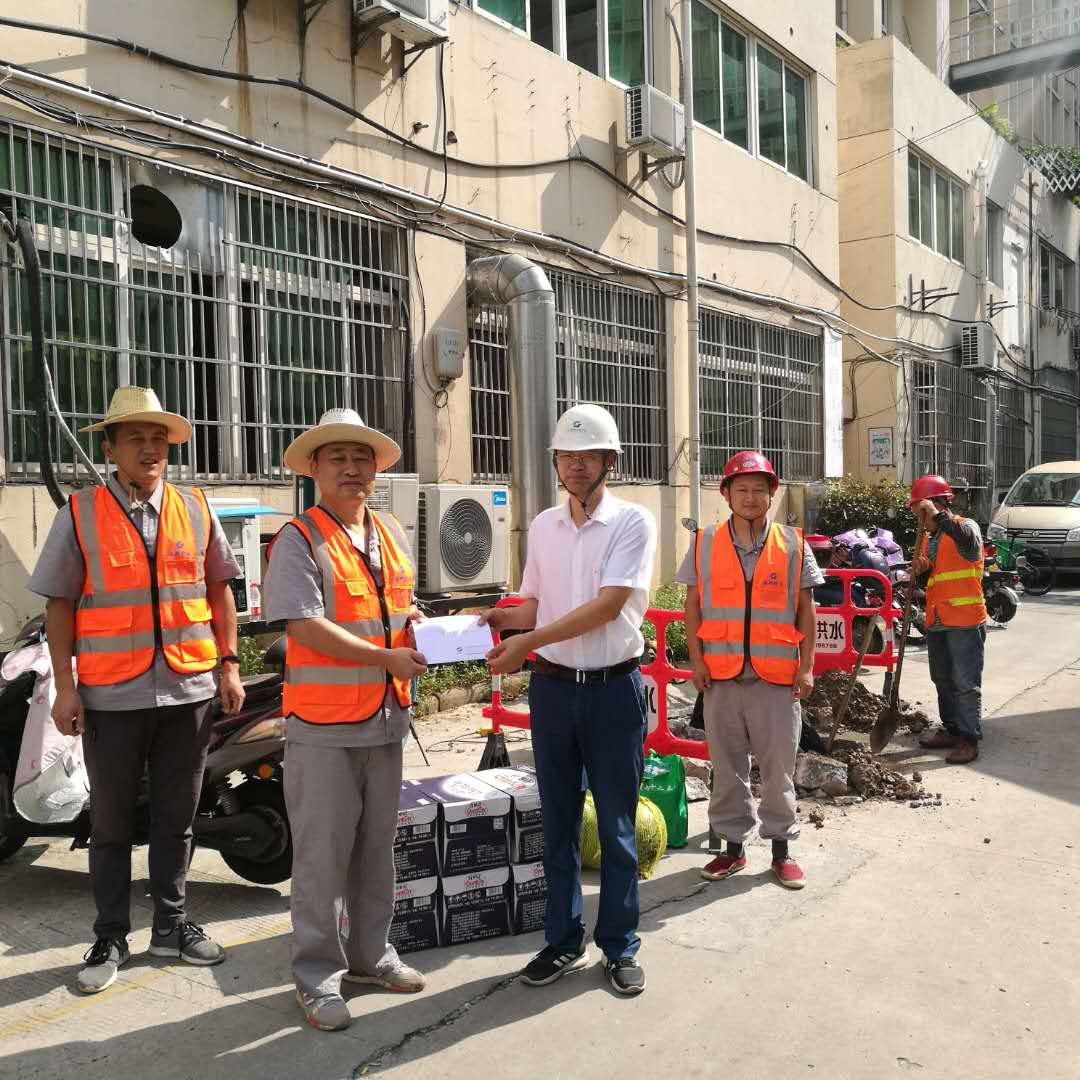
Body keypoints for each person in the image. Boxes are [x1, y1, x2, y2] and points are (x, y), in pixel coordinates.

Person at [29, 386, 245, 994]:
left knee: (177, 818)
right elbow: (60, 606)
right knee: (111, 823)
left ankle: (172, 927)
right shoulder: (80, 513)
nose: (150, 449)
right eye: (135, 439)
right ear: (110, 448)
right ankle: (110, 935)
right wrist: (65, 689)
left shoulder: (195, 507)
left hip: (188, 689)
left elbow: (220, 591)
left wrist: (229, 666)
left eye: (159, 439)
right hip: (111, 696)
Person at [481, 404, 657, 996]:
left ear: (610, 462)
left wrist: (527, 640)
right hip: (553, 691)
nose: (576, 466)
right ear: (555, 462)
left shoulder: (632, 521)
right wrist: (499, 620)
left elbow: (608, 606)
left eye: (588, 456)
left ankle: (620, 944)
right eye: (566, 456)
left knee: (617, 826)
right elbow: (534, 603)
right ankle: (561, 940)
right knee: (556, 824)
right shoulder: (543, 526)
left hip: (613, 692)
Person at [263, 409, 428, 1032]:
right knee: (322, 860)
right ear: (314, 468)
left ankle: (370, 956)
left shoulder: (389, 532)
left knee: (376, 852)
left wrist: (430, 627)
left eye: (362, 458)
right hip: (324, 727)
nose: (352, 468)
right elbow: (304, 626)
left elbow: (398, 609)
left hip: (386, 719)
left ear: (376, 469)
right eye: (338, 458)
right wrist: (385, 657)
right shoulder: (299, 539)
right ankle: (316, 978)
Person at [679, 451, 822, 889]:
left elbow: (806, 609)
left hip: (776, 678)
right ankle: (732, 849)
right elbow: (692, 605)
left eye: (759, 489)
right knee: (727, 768)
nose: (750, 497)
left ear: (771, 494)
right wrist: (697, 661)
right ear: (726, 494)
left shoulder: (793, 543)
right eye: (741, 489)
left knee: (778, 770)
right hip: (721, 676)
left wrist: (807, 667)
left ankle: (781, 851)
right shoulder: (704, 542)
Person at [909, 475, 986, 765]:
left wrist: (940, 517)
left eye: (920, 513)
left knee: (965, 682)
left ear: (934, 506)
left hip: (964, 620)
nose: (919, 520)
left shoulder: (965, 527)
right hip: (938, 619)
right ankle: (952, 729)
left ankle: (968, 739)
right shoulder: (930, 539)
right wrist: (922, 572)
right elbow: (937, 578)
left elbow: (969, 544)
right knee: (942, 678)